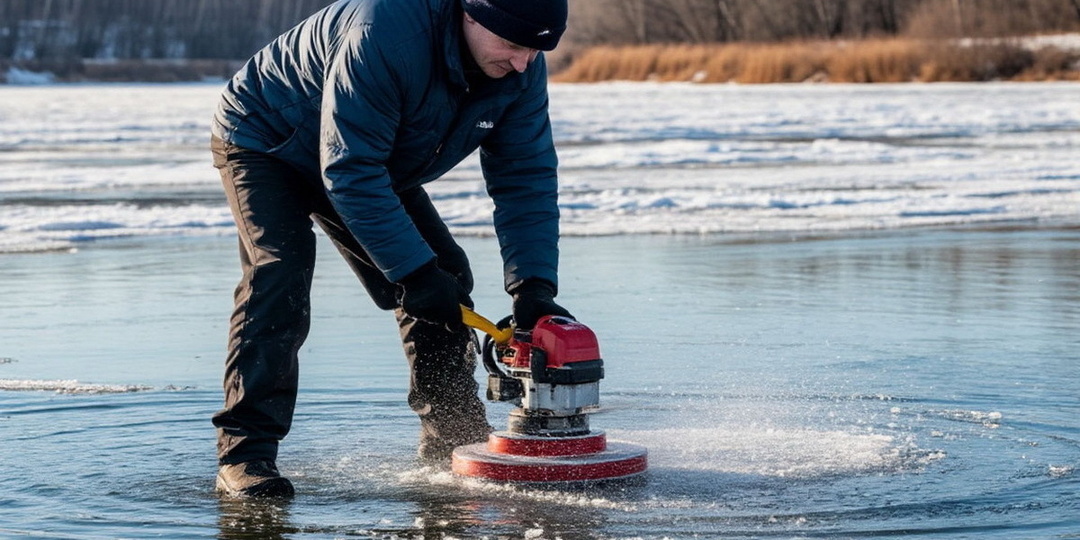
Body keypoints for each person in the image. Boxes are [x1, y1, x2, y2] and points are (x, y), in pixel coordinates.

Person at [209, 0, 573, 498]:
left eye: (536, 51)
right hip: (268, 137)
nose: (523, 63)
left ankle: (452, 439)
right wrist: (411, 273)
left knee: (445, 279)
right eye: (512, 45)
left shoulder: (520, 67)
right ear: (471, 14)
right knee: (281, 273)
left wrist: (533, 285)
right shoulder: (384, 35)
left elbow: (525, 177)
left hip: (367, 154)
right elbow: (351, 171)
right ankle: (244, 455)